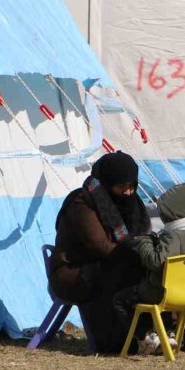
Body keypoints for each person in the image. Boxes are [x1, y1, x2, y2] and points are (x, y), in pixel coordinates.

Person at [50, 151, 151, 353]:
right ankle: (118, 340)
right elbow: (100, 246)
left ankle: (152, 333)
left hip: (108, 265)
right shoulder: (82, 203)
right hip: (73, 274)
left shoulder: (134, 206)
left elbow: (142, 235)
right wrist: (136, 255)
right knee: (123, 272)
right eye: (121, 187)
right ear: (106, 183)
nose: (128, 193)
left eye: (132, 186)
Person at [114, 183, 185, 355]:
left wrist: (144, 241)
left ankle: (145, 338)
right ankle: (169, 334)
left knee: (121, 299)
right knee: (163, 289)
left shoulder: (174, 236)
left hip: (166, 294)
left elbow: (155, 261)